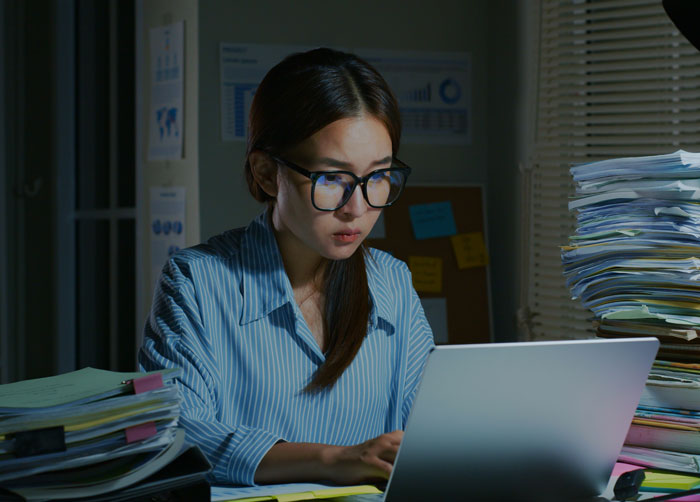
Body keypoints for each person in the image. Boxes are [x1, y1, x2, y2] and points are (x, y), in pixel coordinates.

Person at [138, 47, 434, 487]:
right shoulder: (197, 283)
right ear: (265, 173)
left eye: (378, 177)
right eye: (331, 179)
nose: (358, 208)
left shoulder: (391, 282)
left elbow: (431, 431)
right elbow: (176, 437)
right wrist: (331, 461)